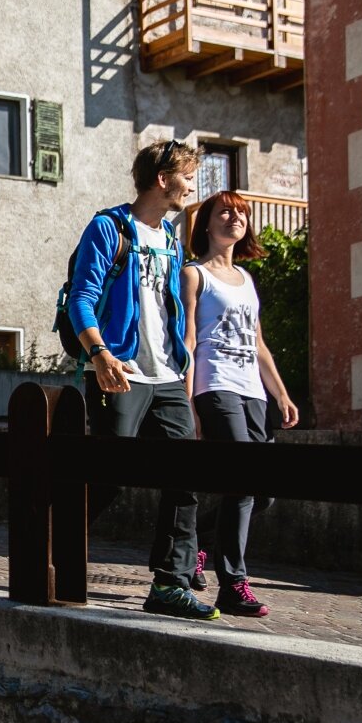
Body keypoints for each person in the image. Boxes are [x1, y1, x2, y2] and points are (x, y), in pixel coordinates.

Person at [66, 140, 219, 620]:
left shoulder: (171, 237)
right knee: (109, 476)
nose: (191, 187)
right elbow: (81, 299)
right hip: (121, 372)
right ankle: (50, 545)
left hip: (168, 377)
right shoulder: (109, 228)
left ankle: (170, 583)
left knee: (184, 478)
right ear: (162, 178)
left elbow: (169, 308)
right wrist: (101, 355)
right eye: (187, 177)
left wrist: (183, 362)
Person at [182, 190, 301, 617]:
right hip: (215, 386)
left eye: (241, 213)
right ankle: (233, 585)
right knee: (242, 481)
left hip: (253, 391)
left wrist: (281, 393)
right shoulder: (194, 274)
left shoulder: (246, 280)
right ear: (207, 223)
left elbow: (259, 343)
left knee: (262, 491)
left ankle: (198, 544)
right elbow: (189, 341)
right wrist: (189, 404)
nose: (235, 217)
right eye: (225, 211)